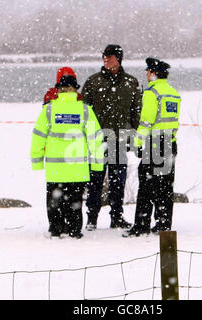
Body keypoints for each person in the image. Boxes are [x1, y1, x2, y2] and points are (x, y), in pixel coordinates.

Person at [31, 74, 104, 239]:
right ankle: (74, 230)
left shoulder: (49, 110)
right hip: (77, 169)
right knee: (75, 203)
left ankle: (56, 230)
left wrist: (37, 162)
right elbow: (96, 139)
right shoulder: (85, 110)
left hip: (55, 169)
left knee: (54, 203)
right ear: (75, 89)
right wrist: (98, 164)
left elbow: (38, 137)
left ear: (59, 90)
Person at [81, 44, 142, 231]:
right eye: (104, 57)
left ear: (119, 59)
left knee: (118, 182)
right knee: (95, 182)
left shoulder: (131, 83)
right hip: (97, 142)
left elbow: (136, 114)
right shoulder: (93, 82)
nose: (106, 60)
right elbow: (84, 111)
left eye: (110, 56)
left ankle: (117, 217)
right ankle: (91, 219)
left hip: (120, 141)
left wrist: (133, 137)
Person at [123, 58, 181, 237]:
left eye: (148, 71)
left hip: (153, 145)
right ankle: (163, 224)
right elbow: (173, 122)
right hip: (169, 144)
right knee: (165, 187)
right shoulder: (173, 93)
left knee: (146, 187)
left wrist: (137, 144)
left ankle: (141, 225)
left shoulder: (151, 93)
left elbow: (146, 122)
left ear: (153, 73)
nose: (147, 75)